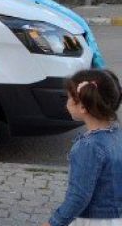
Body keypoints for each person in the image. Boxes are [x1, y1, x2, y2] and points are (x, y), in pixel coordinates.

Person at [43, 69, 122, 226]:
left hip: (95, 220)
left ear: (83, 107)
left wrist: (53, 223)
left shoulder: (88, 147)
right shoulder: (117, 134)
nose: (66, 103)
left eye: (69, 98)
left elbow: (78, 197)